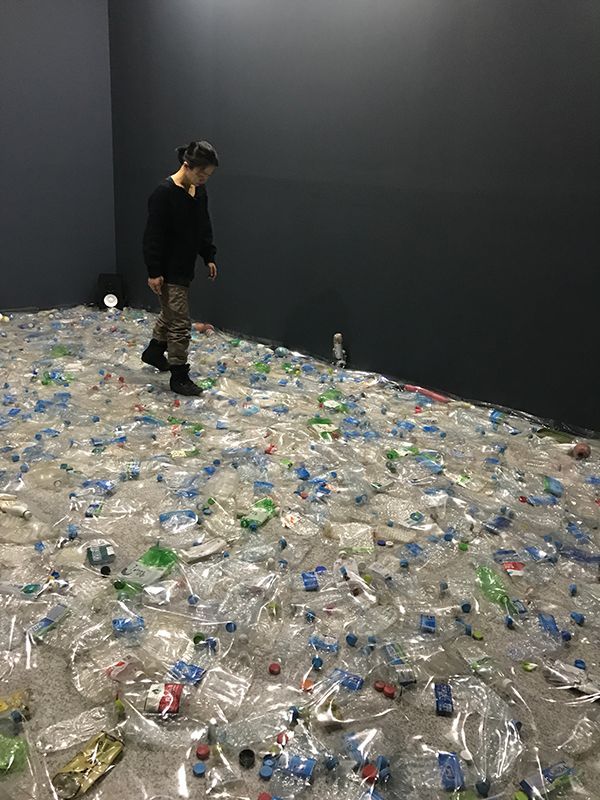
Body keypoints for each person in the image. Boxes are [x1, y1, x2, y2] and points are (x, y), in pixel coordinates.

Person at [141, 140, 219, 396]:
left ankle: (154, 351)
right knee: (180, 322)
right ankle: (179, 376)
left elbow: (203, 226)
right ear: (187, 165)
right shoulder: (163, 194)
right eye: (201, 173)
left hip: (186, 266)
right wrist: (154, 271)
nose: (204, 179)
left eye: (208, 176)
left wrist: (208, 255)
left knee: (172, 311)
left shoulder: (199, 192)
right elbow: (153, 236)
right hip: (168, 267)